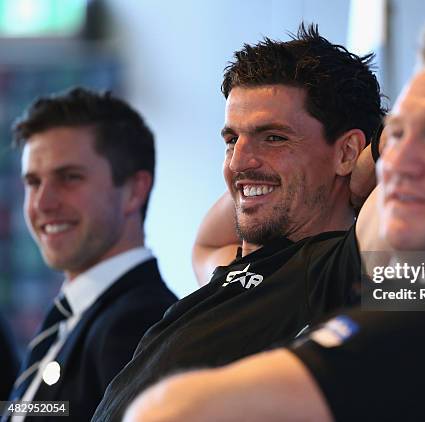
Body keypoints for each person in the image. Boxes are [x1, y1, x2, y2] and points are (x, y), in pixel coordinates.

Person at [123, 13, 425, 422]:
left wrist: (365, 158)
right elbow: (205, 240)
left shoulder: (350, 276)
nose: (403, 162)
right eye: (398, 136)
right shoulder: (241, 268)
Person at [91, 24, 385, 422]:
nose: (237, 161)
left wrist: (369, 162)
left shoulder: (336, 270)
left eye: (274, 138)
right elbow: (207, 241)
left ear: (347, 150)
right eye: (232, 140)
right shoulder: (232, 270)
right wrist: (265, 179)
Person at [5, 88, 177, 422]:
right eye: (33, 182)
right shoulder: (72, 318)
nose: (42, 204)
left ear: (134, 190)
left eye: (69, 178)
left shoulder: (139, 324)